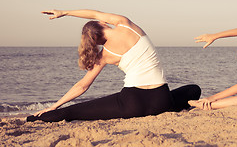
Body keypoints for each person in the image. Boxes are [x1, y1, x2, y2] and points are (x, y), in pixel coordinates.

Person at [27, 9, 200, 122]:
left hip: (132, 103)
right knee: (194, 89)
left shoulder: (104, 55)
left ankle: (37, 117)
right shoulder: (126, 25)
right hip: (161, 100)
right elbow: (94, 14)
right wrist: (65, 12)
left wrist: (55, 105)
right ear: (102, 24)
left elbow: (83, 86)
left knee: (73, 112)